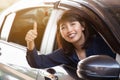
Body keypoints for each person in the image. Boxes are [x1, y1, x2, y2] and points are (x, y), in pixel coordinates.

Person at [25, 9, 116, 69]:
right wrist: (30, 42)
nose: (69, 30)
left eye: (73, 24)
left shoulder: (103, 44)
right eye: (63, 27)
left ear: (82, 26)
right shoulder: (66, 53)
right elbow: (37, 63)